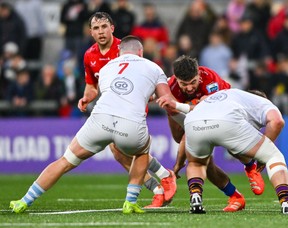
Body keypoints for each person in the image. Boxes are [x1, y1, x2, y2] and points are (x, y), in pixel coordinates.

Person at [10, 35, 174, 214]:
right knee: (142, 151)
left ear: (119, 52)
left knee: (66, 161)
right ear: (140, 52)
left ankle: (24, 201)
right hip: (130, 123)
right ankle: (131, 201)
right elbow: (165, 98)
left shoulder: (106, 68)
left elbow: (111, 92)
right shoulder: (154, 67)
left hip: (100, 120)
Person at [158, 88, 288, 214]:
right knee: (274, 156)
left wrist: (178, 163)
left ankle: (196, 198)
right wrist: (262, 157)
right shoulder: (263, 103)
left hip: (192, 121)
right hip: (227, 122)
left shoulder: (227, 95)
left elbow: (195, 109)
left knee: (197, 163)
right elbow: (277, 122)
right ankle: (287, 202)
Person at [80, 12, 176, 207]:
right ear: (91, 32)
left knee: (124, 148)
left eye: (104, 27)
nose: (101, 32)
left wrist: (151, 94)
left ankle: (162, 181)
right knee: (119, 153)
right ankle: (160, 185)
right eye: (96, 28)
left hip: (131, 107)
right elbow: (92, 85)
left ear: (112, 28)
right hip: (110, 108)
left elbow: (146, 73)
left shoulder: (125, 49)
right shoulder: (89, 55)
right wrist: (87, 97)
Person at [165, 55, 265, 212]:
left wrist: (177, 166)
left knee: (229, 140)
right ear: (176, 79)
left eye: (193, 82)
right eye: (184, 84)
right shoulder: (169, 86)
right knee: (203, 161)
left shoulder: (210, 79)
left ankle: (250, 166)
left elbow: (207, 108)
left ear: (198, 74)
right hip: (192, 115)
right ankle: (236, 197)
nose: (190, 88)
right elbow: (182, 133)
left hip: (221, 111)